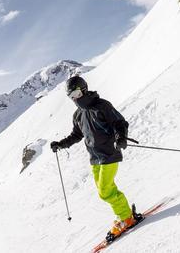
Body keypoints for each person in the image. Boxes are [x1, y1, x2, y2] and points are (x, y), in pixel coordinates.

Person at [50, 76, 138, 240]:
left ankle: (126, 218)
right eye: (71, 96)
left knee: (105, 191)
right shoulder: (78, 115)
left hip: (109, 153)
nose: (75, 98)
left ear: (84, 89)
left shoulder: (102, 105)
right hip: (95, 158)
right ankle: (124, 214)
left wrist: (121, 138)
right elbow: (76, 135)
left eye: (76, 93)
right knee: (104, 190)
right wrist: (61, 144)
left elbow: (119, 123)